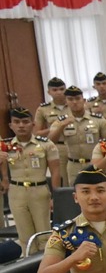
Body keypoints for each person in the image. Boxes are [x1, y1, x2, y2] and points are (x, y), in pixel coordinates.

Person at [3, 107, 62, 250]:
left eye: (25, 122)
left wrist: (55, 196)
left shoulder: (46, 145)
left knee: (44, 234)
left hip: (39, 191)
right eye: (17, 122)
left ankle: (46, 266)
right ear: (11, 125)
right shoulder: (5, 146)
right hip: (16, 192)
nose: (21, 125)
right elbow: (3, 171)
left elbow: (55, 172)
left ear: (33, 124)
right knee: (24, 235)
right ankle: (29, 269)